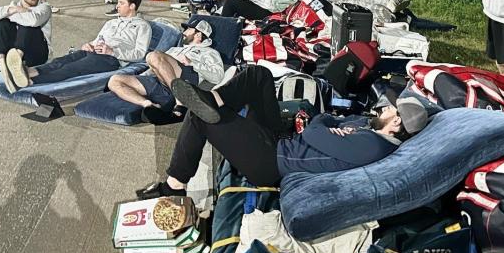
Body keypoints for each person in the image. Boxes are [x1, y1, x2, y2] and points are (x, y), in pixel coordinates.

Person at [135, 67, 427, 197]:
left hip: (272, 162)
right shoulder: (369, 129)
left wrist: (323, 126)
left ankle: (174, 186)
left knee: (201, 118)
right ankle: (214, 101)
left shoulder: (372, 146)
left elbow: (317, 130)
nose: (382, 108)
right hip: (282, 141)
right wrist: (325, 125)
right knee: (258, 75)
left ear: (397, 123)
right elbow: (326, 120)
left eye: (389, 109)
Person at [2, 0, 151, 92]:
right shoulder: (111, 23)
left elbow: (139, 53)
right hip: (93, 52)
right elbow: (98, 39)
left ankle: (30, 82)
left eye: (121, 3)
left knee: (71, 68)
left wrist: (113, 51)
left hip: (111, 59)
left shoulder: (142, 26)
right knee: (60, 61)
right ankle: (28, 72)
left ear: (132, 6)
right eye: (117, 2)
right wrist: (89, 44)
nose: (117, 6)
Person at [107, 20, 226, 124]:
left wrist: (192, 63)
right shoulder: (175, 49)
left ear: (198, 35)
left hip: (186, 79)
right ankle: (149, 105)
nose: (184, 32)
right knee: (114, 80)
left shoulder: (210, 52)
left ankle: (180, 102)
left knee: (153, 55)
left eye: (189, 29)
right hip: (161, 82)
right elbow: (157, 65)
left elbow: (218, 76)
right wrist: (140, 77)